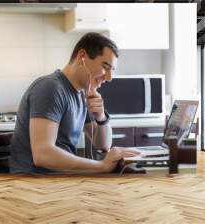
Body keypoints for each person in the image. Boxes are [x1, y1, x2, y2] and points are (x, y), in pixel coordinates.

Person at [9, 32, 140, 174]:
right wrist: (101, 166)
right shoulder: (50, 88)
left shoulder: (82, 93)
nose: (109, 78)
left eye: (111, 70)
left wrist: (101, 117)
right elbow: (42, 155)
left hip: (58, 180)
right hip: (36, 185)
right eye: (105, 66)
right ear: (82, 57)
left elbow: (103, 145)